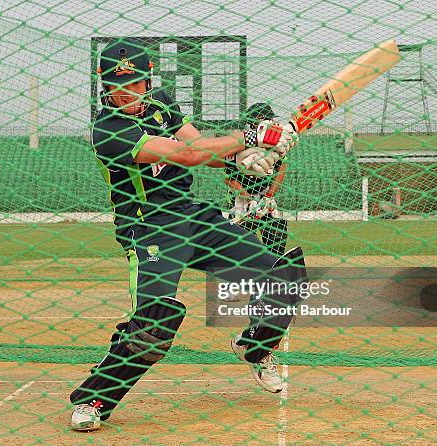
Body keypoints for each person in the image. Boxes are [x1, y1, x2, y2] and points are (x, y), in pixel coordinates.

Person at [70, 38, 307, 431]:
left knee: (284, 273)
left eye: (134, 84)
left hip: (191, 216)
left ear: (148, 81)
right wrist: (253, 138)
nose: (125, 93)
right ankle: (93, 400)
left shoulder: (162, 101)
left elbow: (198, 146)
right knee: (155, 321)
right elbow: (184, 155)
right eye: (116, 85)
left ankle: (256, 345)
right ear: (103, 85)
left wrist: (240, 158)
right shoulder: (108, 129)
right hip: (148, 228)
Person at [225, 102, 289, 256]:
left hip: (265, 196)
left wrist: (268, 196)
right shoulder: (239, 142)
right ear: (255, 122)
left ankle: (274, 275)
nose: (271, 123)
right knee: (244, 248)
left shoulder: (275, 143)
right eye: (267, 120)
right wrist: (249, 199)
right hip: (241, 199)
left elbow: (281, 171)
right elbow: (228, 179)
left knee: (276, 238)